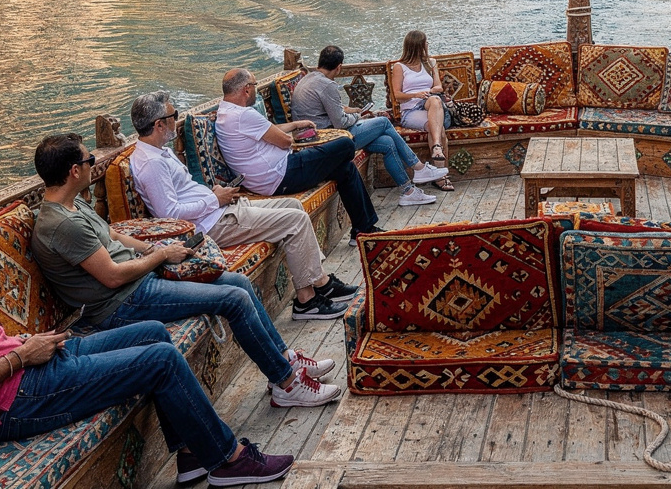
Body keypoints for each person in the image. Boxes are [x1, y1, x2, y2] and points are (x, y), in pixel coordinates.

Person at [0, 170, 292, 486]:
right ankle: (228, 460)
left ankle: (190, 453)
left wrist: (21, 346)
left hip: (18, 366)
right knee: (161, 359)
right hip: (4, 403)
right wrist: (22, 355)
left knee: (152, 333)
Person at [29, 133, 345, 411]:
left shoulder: (73, 203)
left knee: (237, 281)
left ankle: (284, 358)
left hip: (139, 280)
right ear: (74, 171)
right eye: (89, 160)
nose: (91, 164)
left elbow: (110, 235)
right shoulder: (63, 225)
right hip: (120, 302)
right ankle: (287, 384)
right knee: (233, 299)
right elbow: (112, 276)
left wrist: (149, 249)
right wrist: (162, 255)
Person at [125, 91, 360, 320]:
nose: (175, 120)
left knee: (293, 205)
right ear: (158, 125)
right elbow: (170, 214)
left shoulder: (160, 152)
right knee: (294, 220)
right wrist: (214, 200)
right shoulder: (151, 163)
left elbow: (182, 194)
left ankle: (320, 282)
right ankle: (306, 300)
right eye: (173, 115)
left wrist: (213, 194)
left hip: (216, 211)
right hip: (210, 225)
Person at [215, 67, 381, 238]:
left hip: (269, 176)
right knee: (346, 144)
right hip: (281, 175)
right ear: (247, 89)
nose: (256, 91)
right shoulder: (244, 115)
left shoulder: (226, 112)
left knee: (345, 168)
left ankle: (363, 230)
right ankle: (365, 228)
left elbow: (268, 130)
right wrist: (290, 136)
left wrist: (295, 124)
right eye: (255, 85)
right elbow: (285, 141)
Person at [296, 46, 448, 207]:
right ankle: (418, 167)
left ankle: (408, 191)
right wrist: (358, 116)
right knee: (383, 122)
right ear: (339, 67)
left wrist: (352, 114)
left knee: (388, 142)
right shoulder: (328, 85)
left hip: (315, 136)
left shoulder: (308, 78)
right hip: (331, 139)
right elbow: (340, 122)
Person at [388, 31, 459, 192]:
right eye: (425, 43)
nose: (427, 46)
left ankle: (436, 151)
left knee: (435, 100)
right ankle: (441, 176)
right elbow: (397, 96)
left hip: (430, 103)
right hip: (411, 110)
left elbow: (439, 87)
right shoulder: (399, 67)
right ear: (417, 46)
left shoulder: (430, 63)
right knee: (439, 129)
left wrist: (428, 91)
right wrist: (415, 94)